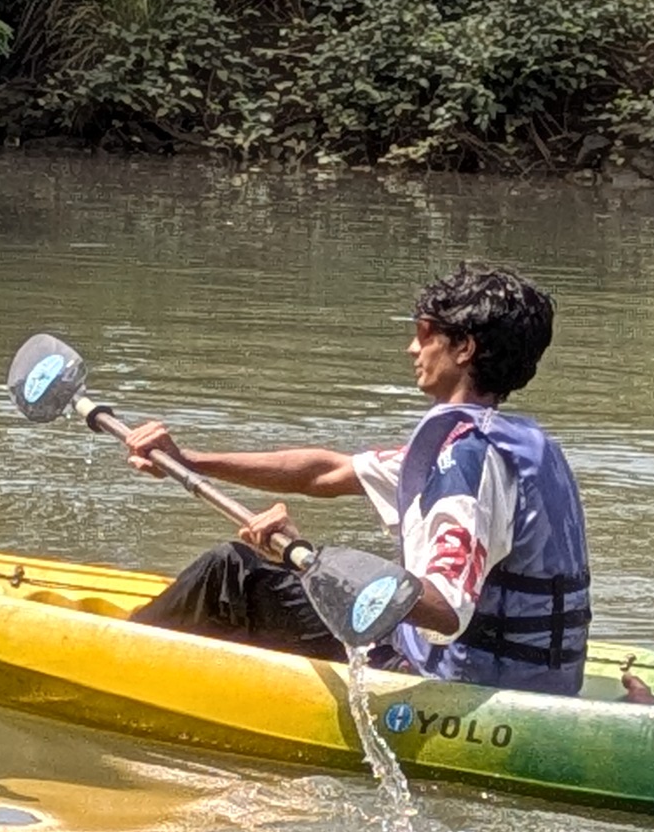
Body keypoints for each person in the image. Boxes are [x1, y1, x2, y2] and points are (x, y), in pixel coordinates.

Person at [118, 265, 594, 693]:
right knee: (256, 569)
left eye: (424, 333)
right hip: (531, 674)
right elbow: (327, 472)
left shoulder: (465, 464)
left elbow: (446, 610)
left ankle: (116, 666)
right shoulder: (512, 442)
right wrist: (190, 460)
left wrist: (317, 563)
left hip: (450, 680)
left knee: (231, 572)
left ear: (464, 348)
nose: (412, 347)